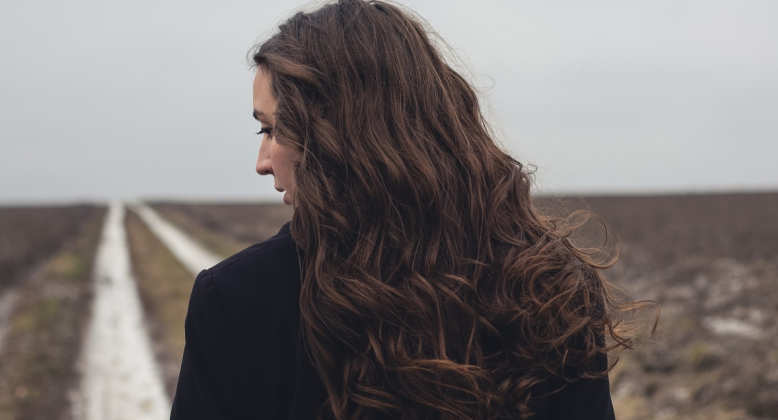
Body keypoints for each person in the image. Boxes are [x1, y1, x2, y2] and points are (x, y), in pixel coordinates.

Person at [171, 1, 641, 419]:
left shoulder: (235, 302)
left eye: (271, 130)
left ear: (332, 135)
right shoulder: (549, 286)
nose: (262, 162)